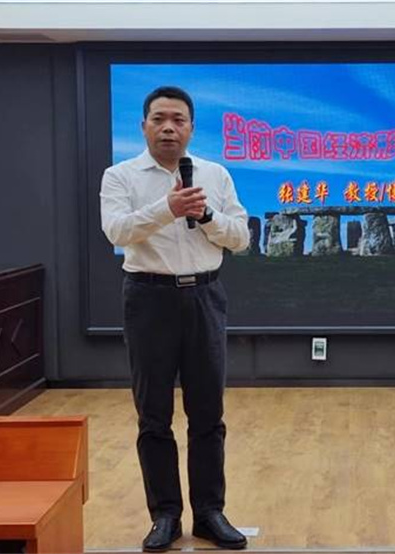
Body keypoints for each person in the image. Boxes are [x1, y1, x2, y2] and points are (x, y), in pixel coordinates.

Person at [100, 86, 249, 552]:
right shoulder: (119, 176)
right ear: (143, 126)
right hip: (149, 298)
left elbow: (241, 237)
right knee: (154, 415)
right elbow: (116, 230)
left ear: (191, 128)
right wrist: (168, 208)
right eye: (159, 119)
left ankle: (209, 513)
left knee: (208, 413)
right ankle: (165, 515)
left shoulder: (215, 175)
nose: (168, 128)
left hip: (205, 296)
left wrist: (205, 215)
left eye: (178, 120)